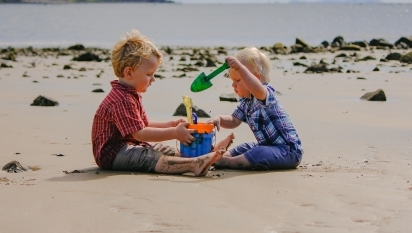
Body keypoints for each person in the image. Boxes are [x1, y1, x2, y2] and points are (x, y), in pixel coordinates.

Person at [91, 30, 223, 176]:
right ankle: (194, 164)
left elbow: (144, 124)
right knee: (149, 157)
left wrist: (171, 125)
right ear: (129, 73)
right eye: (149, 74)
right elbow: (140, 134)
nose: (153, 79)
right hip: (113, 154)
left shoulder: (131, 94)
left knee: (163, 149)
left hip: (130, 146)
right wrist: (174, 133)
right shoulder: (121, 99)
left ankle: (207, 157)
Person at [208, 47, 303, 171]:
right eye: (233, 80)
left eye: (238, 80)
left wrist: (240, 68)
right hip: (267, 147)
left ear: (256, 79)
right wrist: (219, 118)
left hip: (288, 151)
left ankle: (227, 162)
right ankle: (216, 157)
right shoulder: (246, 101)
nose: (233, 84)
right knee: (246, 147)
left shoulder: (266, 94)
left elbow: (256, 89)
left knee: (258, 153)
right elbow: (234, 120)